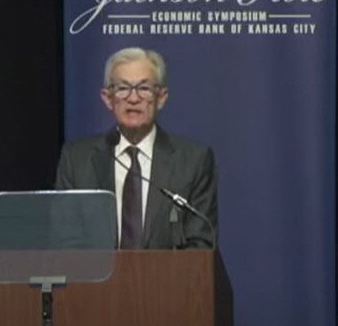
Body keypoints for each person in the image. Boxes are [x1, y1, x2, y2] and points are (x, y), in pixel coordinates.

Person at [55, 47, 218, 249]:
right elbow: (65, 240)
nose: (133, 99)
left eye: (144, 88)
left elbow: (201, 244)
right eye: (123, 88)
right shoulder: (77, 159)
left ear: (161, 97)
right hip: (97, 271)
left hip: (169, 271)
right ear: (107, 98)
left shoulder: (193, 161)